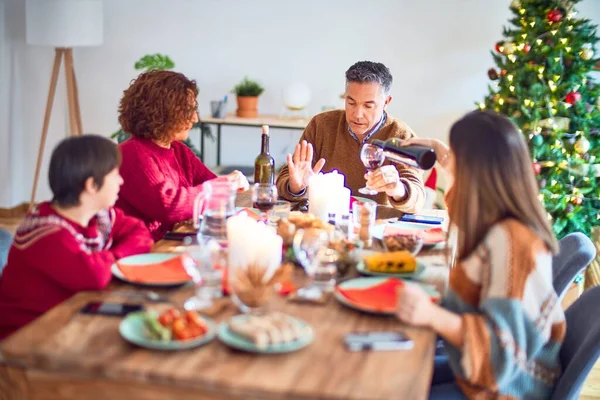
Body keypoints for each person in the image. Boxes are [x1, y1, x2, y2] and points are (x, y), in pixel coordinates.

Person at [396, 111, 565, 399]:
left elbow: (500, 356)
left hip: (505, 387)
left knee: (391, 383)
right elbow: (463, 212)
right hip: (477, 370)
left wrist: (431, 315)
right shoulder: (500, 222)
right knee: (398, 372)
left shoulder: (511, 242)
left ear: (477, 172)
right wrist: (444, 156)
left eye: (458, 161)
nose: (453, 167)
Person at [0, 136, 153, 340]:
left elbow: (141, 234)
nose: (121, 181)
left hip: (67, 321)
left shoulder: (99, 216)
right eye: (115, 174)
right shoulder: (47, 233)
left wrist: (111, 257)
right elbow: (95, 275)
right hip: (24, 343)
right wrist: (118, 257)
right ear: (91, 185)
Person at [276, 61, 426, 213]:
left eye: (368, 106)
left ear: (386, 102)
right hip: (326, 223)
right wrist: (296, 187)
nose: (357, 114)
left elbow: (417, 199)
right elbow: (288, 178)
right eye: (351, 103)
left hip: (377, 226)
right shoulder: (321, 125)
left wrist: (399, 189)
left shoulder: (402, 136)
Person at [116, 70, 248, 240]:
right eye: (188, 110)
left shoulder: (178, 150)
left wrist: (228, 184)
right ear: (162, 111)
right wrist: (225, 184)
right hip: (143, 252)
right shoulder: (131, 153)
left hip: (172, 242)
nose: (195, 118)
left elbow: (211, 187)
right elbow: (169, 207)